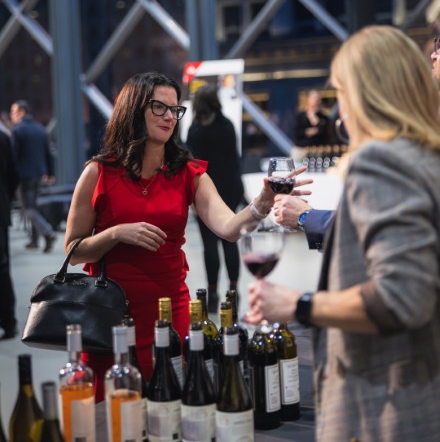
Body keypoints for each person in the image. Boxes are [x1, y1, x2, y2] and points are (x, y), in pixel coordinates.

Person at [64, 71, 311, 402]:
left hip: (171, 314)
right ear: (134, 109)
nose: (170, 117)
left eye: (175, 109)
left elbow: (229, 227)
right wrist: (116, 234)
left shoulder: (187, 172)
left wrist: (262, 202)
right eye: (159, 107)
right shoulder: (98, 172)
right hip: (110, 319)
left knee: (176, 408)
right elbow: (73, 251)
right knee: (113, 412)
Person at [247, 26, 440, 441]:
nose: (341, 111)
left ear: (364, 94)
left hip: (387, 406)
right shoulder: (427, 158)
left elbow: (401, 297)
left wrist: (296, 304)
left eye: (341, 92)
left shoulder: (382, 161)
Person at [186, 84, 244, 312]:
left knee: (209, 244)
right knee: (231, 239)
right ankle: (233, 291)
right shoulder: (227, 126)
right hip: (230, 189)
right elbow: (235, 160)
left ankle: (212, 294)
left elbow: (193, 167)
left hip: (205, 194)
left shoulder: (195, 130)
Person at [10, 100, 56, 252]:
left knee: (28, 208)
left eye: (14, 112)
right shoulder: (40, 129)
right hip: (38, 174)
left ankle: (47, 233)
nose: (12, 115)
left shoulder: (17, 130)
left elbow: (13, 157)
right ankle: (35, 241)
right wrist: (50, 173)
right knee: (33, 207)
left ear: (22, 112)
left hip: (23, 176)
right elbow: (49, 153)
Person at [0, 130, 19, 340]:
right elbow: (14, 174)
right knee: (2, 268)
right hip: (1, 209)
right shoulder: (3, 137)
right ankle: (8, 322)